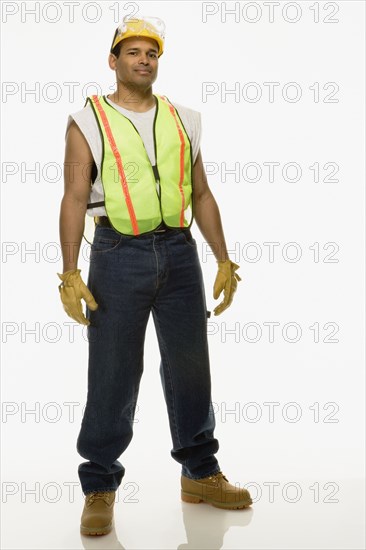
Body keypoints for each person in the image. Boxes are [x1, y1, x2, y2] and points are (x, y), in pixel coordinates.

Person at [58, 15, 252, 537]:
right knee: (114, 373)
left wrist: (224, 258)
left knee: (190, 368)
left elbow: (203, 193)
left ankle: (200, 472)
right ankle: (100, 484)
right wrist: (70, 272)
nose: (144, 60)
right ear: (114, 60)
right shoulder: (88, 120)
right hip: (118, 255)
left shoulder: (184, 119)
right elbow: (75, 197)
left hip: (180, 253)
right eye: (133, 52)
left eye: (152, 53)